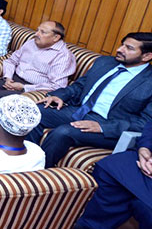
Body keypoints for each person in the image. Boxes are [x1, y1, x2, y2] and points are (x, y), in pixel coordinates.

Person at [27, 32, 152, 168]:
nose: (119, 50)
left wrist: (102, 127)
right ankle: (25, 160)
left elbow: (145, 123)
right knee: (32, 112)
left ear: (147, 56)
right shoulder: (104, 62)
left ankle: (36, 172)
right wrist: (60, 96)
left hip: (109, 125)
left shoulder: (149, 81)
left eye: (129, 48)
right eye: (122, 45)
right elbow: (80, 86)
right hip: (80, 111)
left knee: (63, 133)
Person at [74, 120, 152, 229]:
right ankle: (95, 224)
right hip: (148, 160)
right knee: (108, 168)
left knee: (144, 207)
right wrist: (144, 148)